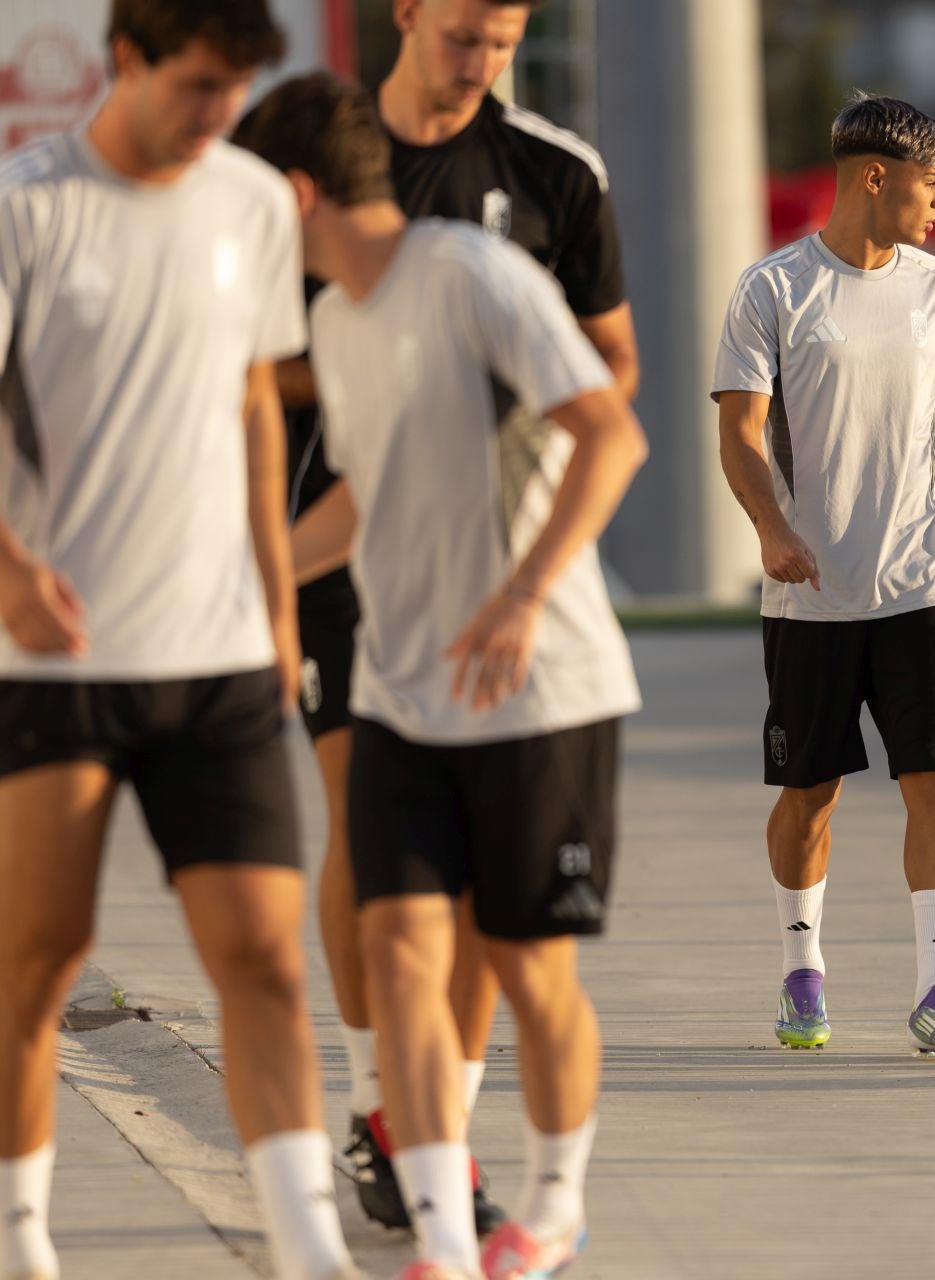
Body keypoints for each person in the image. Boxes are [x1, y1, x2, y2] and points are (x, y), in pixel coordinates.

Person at [235, 70, 646, 1280]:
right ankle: (447, 1240)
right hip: (401, 690)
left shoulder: (476, 276)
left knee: (528, 969)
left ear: (294, 195)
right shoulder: (337, 323)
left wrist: (522, 595)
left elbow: (612, 432)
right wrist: (246, 582)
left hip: (540, 687)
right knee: (404, 955)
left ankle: (554, 1205)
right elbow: (362, 496)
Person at [0, 5, 362, 1279]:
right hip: (61, 663)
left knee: (260, 957)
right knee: (36, 958)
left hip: (219, 660)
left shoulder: (252, 201)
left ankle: (308, 1243)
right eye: (199, 85)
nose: (219, 113)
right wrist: (8, 573)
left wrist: (275, 607)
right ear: (128, 62)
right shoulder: (27, 206)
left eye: (238, 90)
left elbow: (258, 401)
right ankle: (23, 1234)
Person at [713, 93, 935, 1059]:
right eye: (933, 183)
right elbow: (739, 431)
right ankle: (803, 971)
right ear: (875, 178)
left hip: (921, 584)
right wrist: (771, 528)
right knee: (811, 796)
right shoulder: (773, 289)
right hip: (809, 595)